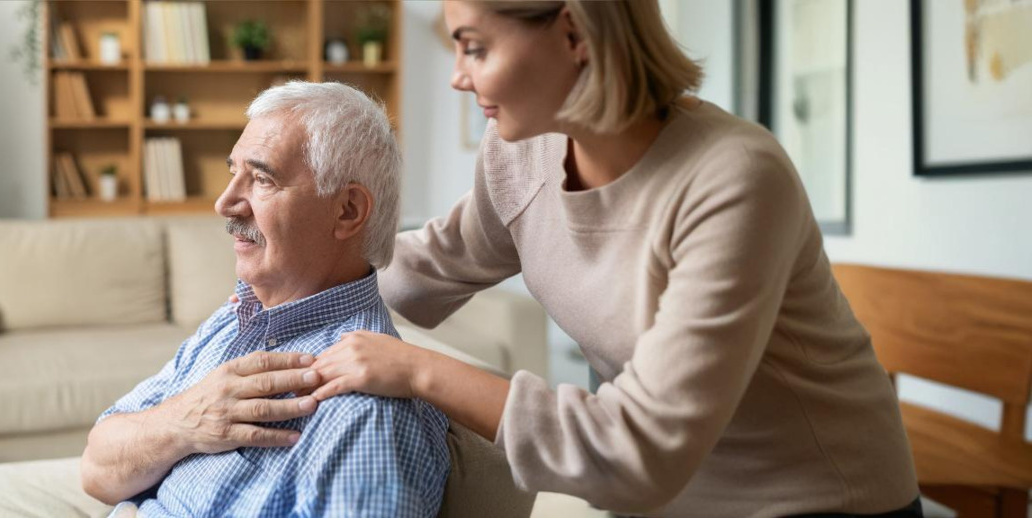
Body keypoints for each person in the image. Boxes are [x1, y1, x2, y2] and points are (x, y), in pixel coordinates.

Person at [303, 1, 923, 517]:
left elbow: (641, 451)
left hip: (814, 501)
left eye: (475, 48)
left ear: (574, 31)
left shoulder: (734, 178)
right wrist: (279, 272)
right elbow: (423, 268)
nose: (458, 76)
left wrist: (416, 370)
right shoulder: (521, 154)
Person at [78, 81, 449, 517]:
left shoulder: (366, 413)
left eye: (262, 179)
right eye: (232, 172)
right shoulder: (240, 314)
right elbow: (96, 469)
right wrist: (182, 423)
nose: (224, 202)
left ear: (347, 210)